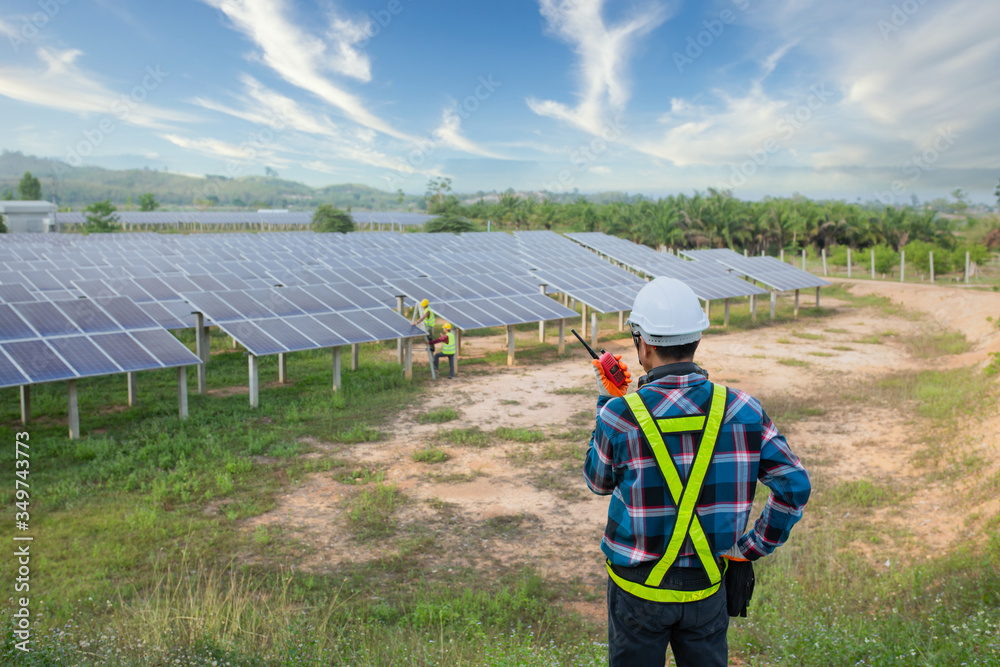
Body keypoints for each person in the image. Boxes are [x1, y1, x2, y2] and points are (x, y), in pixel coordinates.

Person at [584, 277, 811, 667]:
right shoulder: (744, 409)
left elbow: (598, 482)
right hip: (706, 591)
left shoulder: (619, 416)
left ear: (645, 343)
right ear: (696, 339)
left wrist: (610, 400)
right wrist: (748, 549)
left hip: (636, 593)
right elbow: (794, 486)